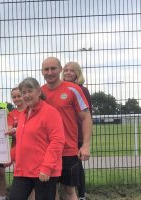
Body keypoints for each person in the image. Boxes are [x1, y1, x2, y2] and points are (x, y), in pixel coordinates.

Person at [41, 57, 93, 200]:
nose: (50, 72)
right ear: (42, 72)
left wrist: (86, 145)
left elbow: (86, 117)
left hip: (68, 149)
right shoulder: (39, 93)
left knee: (69, 190)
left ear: (60, 70)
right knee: (50, 191)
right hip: (46, 151)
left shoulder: (74, 90)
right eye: (46, 69)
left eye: (53, 68)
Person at [8, 77, 65, 200]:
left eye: (30, 91)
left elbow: (57, 141)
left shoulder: (50, 112)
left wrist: (47, 167)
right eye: (23, 92)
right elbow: (22, 142)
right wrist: (9, 157)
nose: (26, 95)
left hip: (43, 171)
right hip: (23, 170)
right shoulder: (23, 114)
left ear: (39, 91)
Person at [63, 61, 93, 200]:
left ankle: (81, 194)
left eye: (72, 70)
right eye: (66, 70)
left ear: (77, 73)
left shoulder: (81, 90)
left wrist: (84, 140)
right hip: (64, 133)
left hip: (76, 134)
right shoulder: (61, 88)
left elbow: (86, 115)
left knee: (76, 166)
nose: (68, 72)